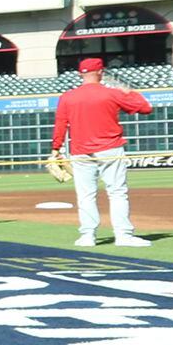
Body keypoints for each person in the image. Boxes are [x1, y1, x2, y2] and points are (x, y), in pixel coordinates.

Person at [52, 56, 154, 247]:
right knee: (117, 192)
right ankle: (123, 236)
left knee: (86, 195)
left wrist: (55, 148)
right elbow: (146, 108)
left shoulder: (68, 96)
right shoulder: (112, 93)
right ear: (100, 72)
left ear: (79, 74)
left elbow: (60, 124)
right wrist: (129, 91)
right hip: (110, 149)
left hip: (80, 151)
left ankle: (88, 236)